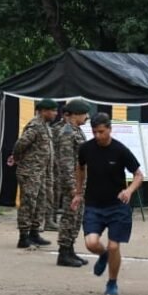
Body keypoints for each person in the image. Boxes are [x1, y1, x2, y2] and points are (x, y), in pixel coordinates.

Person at [72, 113, 144, 295]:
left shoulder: (120, 150)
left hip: (117, 206)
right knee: (91, 243)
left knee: (114, 246)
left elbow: (138, 175)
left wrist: (128, 191)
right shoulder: (86, 149)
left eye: (101, 132)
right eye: (95, 132)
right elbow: (80, 168)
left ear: (110, 129)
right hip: (94, 204)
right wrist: (78, 193)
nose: (98, 136)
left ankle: (112, 283)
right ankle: (103, 255)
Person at [9, 99, 57, 248]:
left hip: (41, 173)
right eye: (53, 110)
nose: (55, 113)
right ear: (43, 111)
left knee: (40, 203)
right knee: (28, 204)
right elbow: (21, 143)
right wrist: (16, 157)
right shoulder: (35, 126)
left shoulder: (46, 127)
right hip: (30, 172)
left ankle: (34, 233)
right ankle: (23, 237)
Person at [54, 99, 92, 267]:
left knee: (76, 217)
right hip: (73, 184)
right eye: (84, 113)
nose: (87, 116)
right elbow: (67, 162)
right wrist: (73, 188)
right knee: (70, 216)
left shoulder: (76, 130)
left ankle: (70, 250)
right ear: (76, 114)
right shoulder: (67, 132)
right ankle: (63, 253)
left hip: (79, 183)